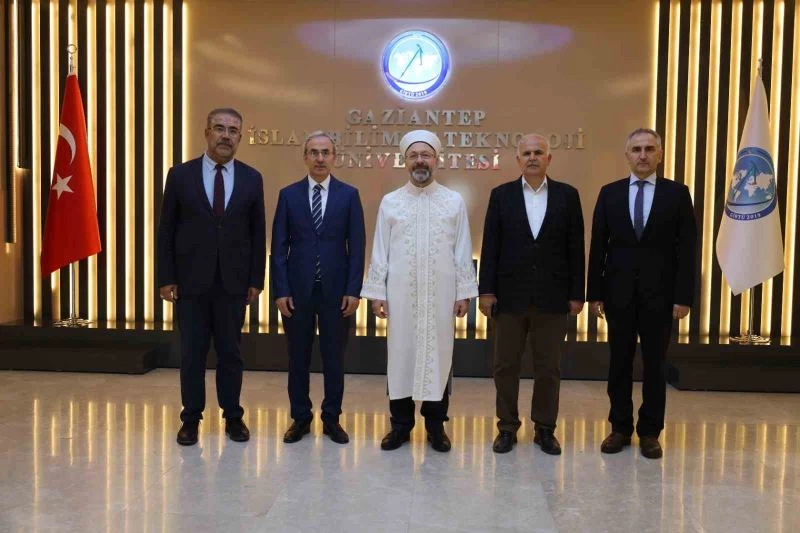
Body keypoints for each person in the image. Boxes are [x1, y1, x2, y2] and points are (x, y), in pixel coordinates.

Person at [361, 129, 478, 453]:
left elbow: (462, 248)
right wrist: (377, 293)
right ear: (405, 161)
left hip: (441, 296)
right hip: (401, 296)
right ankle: (400, 425)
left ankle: (436, 426)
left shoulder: (453, 201)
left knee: (438, 357)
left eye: (425, 155)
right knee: (400, 357)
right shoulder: (391, 202)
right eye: (413, 156)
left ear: (436, 160)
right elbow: (380, 249)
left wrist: (464, 292)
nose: (420, 161)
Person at [157, 107, 266, 446]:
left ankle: (233, 416)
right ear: (207, 132)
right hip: (191, 282)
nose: (225, 136)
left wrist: (256, 280)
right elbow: (166, 230)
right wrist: (165, 277)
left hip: (233, 284)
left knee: (231, 354)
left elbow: (257, 233)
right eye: (219, 128)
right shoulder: (180, 175)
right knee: (192, 354)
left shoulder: (252, 178)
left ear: (240, 137)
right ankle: (190, 419)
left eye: (232, 131)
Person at [587, 128, 697, 459]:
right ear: (627, 155)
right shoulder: (609, 193)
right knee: (619, 363)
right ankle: (619, 427)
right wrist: (595, 294)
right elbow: (598, 247)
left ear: (660, 154)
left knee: (655, 365)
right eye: (636, 149)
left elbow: (687, 249)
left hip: (660, 296)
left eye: (649, 149)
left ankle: (650, 431)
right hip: (618, 294)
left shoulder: (677, 194)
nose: (643, 155)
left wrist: (683, 297)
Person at [478, 133, 585, 455]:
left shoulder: (568, 195)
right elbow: (491, 246)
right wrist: (486, 291)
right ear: (518, 160)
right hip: (509, 297)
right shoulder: (501, 195)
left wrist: (576, 293)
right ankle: (507, 427)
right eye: (526, 153)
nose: (533, 157)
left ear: (549, 158)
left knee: (548, 368)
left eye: (539, 152)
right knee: (505, 366)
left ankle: (545, 429)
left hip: (553, 298)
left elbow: (576, 247)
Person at [271, 131, 366, 444]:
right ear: (305, 157)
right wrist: (280, 290)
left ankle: (331, 418)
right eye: (314, 152)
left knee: (334, 358)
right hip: (296, 292)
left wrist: (353, 290)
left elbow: (357, 247)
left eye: (325, 152)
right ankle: (300, 418)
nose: (320, 158)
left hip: (336, 293)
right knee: (297, 357)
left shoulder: (349, 195)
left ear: (334, 157)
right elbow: (279, 246)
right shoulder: (288, 195)